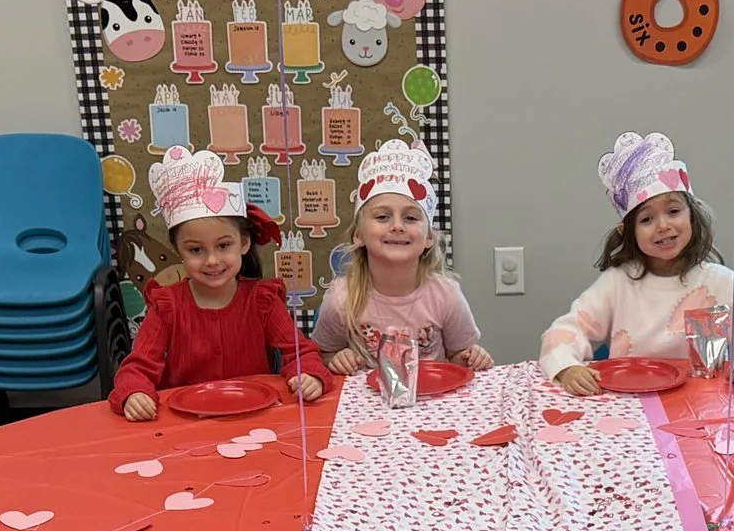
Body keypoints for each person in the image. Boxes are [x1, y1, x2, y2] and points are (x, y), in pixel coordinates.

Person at [541, 131, 734, 397]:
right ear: (628, 231)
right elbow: (563, 332)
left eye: (673, 212)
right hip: (631, 406)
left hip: (703, 407)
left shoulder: (719, 282)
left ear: (692, 216)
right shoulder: (617, 283)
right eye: (646, 219)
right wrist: (567, 367)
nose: (663, 226)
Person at [112, 149, 326, 422]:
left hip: (256, 419)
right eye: (196, 250)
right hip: (185, 424)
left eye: (224, 246)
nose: (212, 260)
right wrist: (134, 393)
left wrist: (308, 375)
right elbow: (138, 367)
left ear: (244, 244)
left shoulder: (263, 300)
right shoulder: (168, 305)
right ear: (178, 251)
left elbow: (300, 351)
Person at [311, 139, 493, 377]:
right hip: (368, 409)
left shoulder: (446, 295)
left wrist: (472, 357)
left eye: (410, 218)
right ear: (358, 235)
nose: (397, 226)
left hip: (431, 406)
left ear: (428, 237)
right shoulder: (341, 298)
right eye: (383, 217)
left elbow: (458, 356)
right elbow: (323, 354)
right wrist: (336, 359)